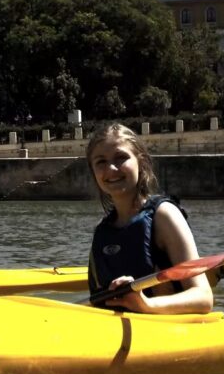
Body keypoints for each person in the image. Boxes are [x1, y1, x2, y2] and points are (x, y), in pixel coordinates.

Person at [86, 123, 213, 314]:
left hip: (164, 332)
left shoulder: (164, 216)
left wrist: (146, 304)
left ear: (141, 162)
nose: (111, 169)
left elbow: (203, 297)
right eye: (101, 162)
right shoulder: (102, 231)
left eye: (121, 158)